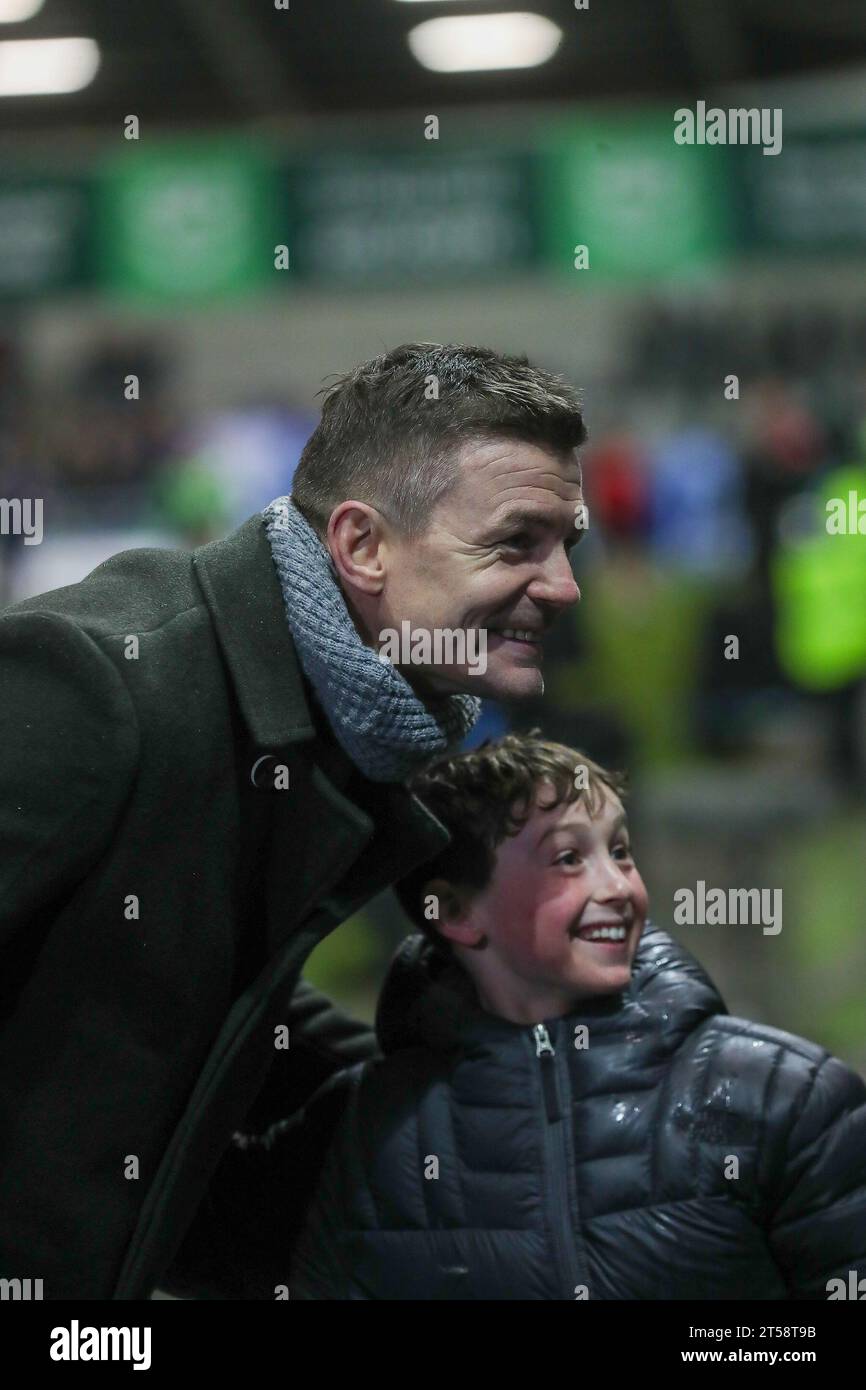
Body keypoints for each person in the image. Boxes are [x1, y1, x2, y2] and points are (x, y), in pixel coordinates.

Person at [0, 344, 586, 1299]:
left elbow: (191, 993)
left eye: (569, 544)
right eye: (517, 542)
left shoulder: (333, 714)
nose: (563, 585)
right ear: (361, 547)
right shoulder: (99, 682)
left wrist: (477, 1100)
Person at [188, 730, 866, 1299]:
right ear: (454, 913)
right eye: (569, 859)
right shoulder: (364, 1131)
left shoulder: (789, 1097)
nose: (618, 888)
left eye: (621, 850)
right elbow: (173, 1229)